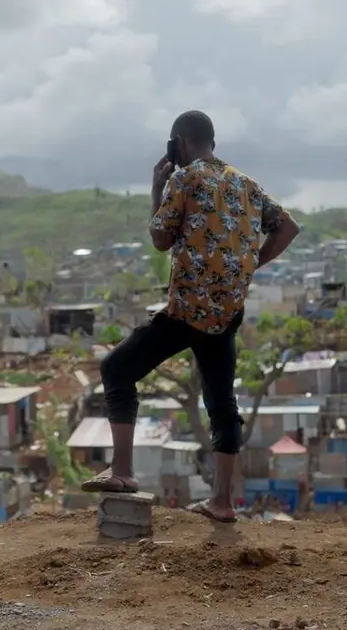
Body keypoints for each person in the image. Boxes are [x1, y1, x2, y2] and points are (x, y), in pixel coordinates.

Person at [80, 110, 300, 523]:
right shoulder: (245, 183)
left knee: (117, 369)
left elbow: (162, 239)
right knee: (222, 403)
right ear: (211, 141)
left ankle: (124, 472)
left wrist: (156, 189)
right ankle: (221, 502)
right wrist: (250, 264)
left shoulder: (184, 178)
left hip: (186, 311)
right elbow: (287, 227)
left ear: (179, 143)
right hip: (226, 313)